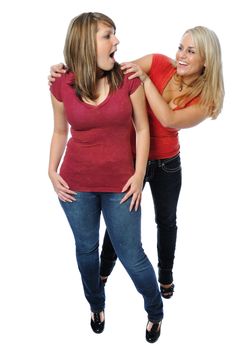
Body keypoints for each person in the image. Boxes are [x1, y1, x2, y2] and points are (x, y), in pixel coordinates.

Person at [49, 25, 224, 300]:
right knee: (119, 226)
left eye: (191, 51)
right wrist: (69, 69)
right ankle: (103, 271)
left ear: (206, 61)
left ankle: (165, 275)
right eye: (180, 47)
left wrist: (145, 80)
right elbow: (111, 73)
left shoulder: (207, 99)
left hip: (166, 164)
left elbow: (168, 119)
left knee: (166, 221)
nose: (181, 55)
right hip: (130, 160)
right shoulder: (156, 62)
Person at [48, 12, 163, 343]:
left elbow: (143, 129)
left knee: (132, 256)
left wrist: (139, 174)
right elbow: (59, 132)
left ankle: (155, 311)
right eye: (108, 36)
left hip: (121, 186)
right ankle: (96, 306)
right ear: (86, 43)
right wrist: (50, 171)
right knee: (86, 251)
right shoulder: (61, 84)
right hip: (75, 185)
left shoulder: (128, 78)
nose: (117, 41)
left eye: (115, 35)